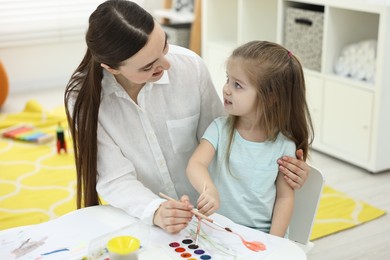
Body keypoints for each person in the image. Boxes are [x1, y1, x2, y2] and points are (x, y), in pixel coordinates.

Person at [64, 0, 310, 234]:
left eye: (164, 46)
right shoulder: (86, 100)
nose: (166, 64)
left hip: (213, 216)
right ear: (111, 68)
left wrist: (282, 172)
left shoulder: (190, 67)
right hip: (145, 218)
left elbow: (228, 139)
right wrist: (156, 211)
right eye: (148, 67)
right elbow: (114, 178)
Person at [186, 41, 314, 237]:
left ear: (270, 97)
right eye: (228, 79)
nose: (226, 89)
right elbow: (195, 164)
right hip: (216, 229)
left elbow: (284, 199)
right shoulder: (219, 129)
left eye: (237, 85)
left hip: (259, 237)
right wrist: (208, 188)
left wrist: (275, 241)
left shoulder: (284, 146)